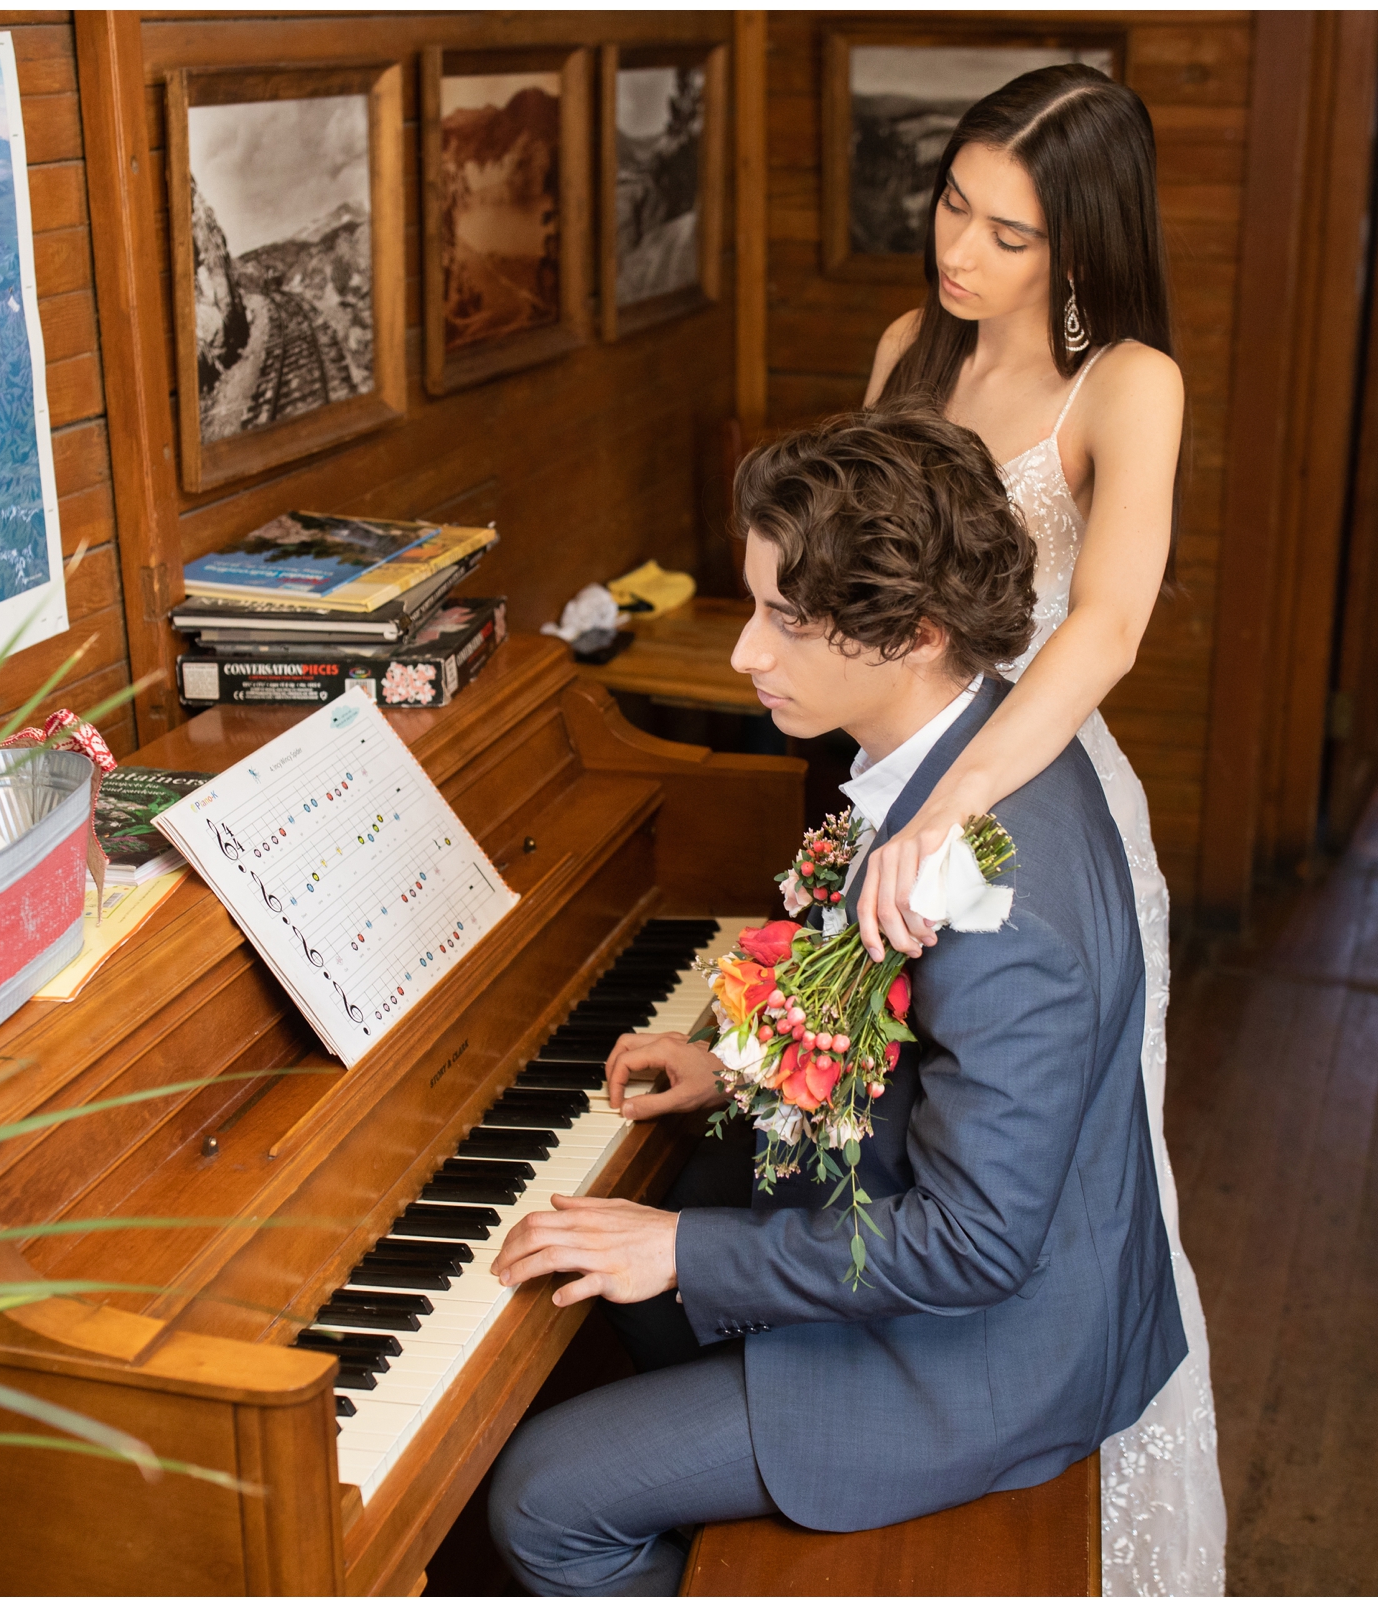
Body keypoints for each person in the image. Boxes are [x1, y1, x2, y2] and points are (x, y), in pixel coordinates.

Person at [482, 409, 1185, 1595]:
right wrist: (743, 1065)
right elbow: (901, 1022)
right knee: (664, 1230)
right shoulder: (955, 740)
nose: (746, 653)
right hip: (977, 1274)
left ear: (914, 630)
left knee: (543, 1494)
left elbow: (979, 1241)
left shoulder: (1005, 896)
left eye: (784, 621)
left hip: (990, 1352)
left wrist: (681, 1247)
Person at [857, 65, 1225, 1595]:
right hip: (895, 782)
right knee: (894, 1123)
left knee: (1067, 1162)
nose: (966, 250)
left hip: (1031, 793)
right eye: (956, 203)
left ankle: (1072, 1518)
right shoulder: (903, 346)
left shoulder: (1127, 379)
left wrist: (954, 795)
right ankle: (892, 1445)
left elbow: (1113, 622)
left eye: (1012, 234)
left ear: (1081, 242)